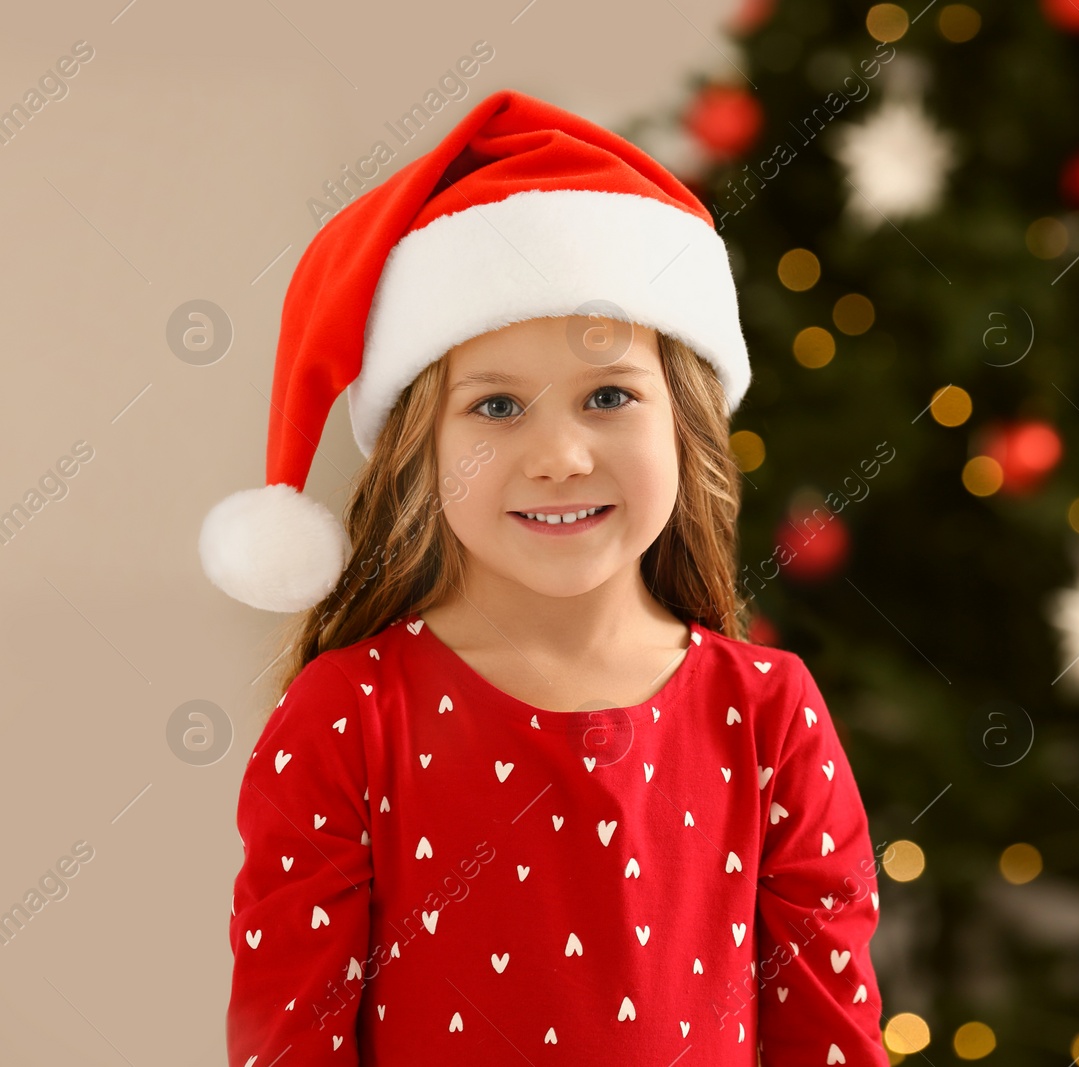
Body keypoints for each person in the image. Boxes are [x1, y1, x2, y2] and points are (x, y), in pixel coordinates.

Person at [199, 89, 888, 1066]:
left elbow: (831, 1039)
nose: (560, 454)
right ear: (418, 452)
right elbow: (288, 1043)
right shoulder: (348, 716)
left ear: (685, 428)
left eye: (608, 395)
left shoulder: (770, 713)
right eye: (495, 406)